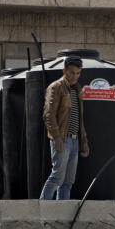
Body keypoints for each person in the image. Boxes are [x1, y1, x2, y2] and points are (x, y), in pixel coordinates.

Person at [39, 56, 89, 200]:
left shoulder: (77, 89)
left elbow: (79, 118)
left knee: (68, 182)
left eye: (78, 73)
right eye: (72, 72)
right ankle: (43, 210)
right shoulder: (56, 87)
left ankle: (61, 215)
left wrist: (84, 141)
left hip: (74, 140)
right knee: (56, 178)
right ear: (64, 71)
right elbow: (48, 114)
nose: (75, 76)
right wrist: (56, 137)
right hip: (62, 139)